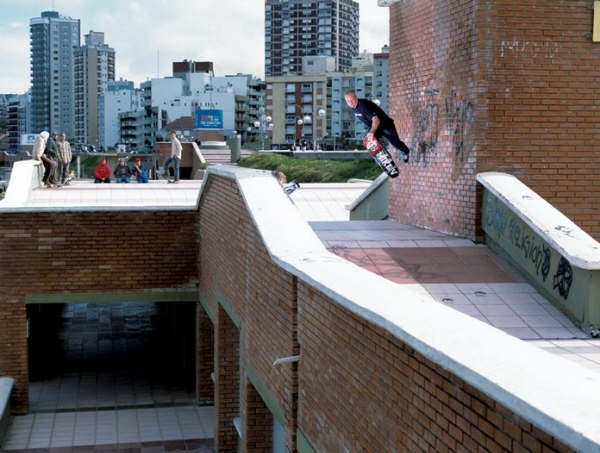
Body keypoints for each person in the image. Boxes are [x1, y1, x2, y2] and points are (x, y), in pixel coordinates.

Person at [344, 91, 410, 163]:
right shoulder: (354, 108)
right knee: (369, 140)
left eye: (352, 100)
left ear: (356, 97)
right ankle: (383, 157)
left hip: (385, 125)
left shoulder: (363, 105)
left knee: (395, 143)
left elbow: (376, 119)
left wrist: (372, 132)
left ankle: (405, 151)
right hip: (376, 128)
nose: (351, 102)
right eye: (348, 101)